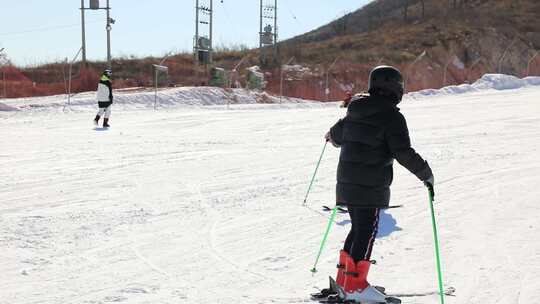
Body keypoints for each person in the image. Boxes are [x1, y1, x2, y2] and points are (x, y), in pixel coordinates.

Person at [324, 66, 434, 303]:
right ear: (395, 88)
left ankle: (345, 279)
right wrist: (425, 174)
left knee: (358, 229)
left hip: (347, 184)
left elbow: (336, 135)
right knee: (366, 230)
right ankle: (355, 286)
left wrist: (331, 135)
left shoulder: (355, 110)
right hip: (369, 187)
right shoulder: (392, 116)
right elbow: (403, 152)